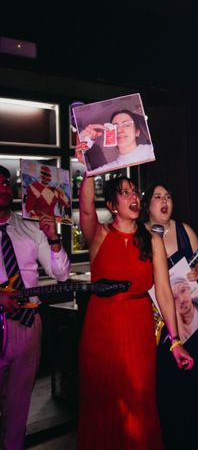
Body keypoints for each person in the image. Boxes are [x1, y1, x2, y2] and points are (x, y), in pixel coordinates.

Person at [74, 141, 193, 448]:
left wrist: (175, 339)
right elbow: (86, 208)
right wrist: (89, 171)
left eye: (134, 192)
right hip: (101, 326)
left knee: (139, 398)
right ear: (112, 205)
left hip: (138, 326)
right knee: (103, 399)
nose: (133, 197)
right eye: (124, 192)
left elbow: (164, 292)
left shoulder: (151, 239)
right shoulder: (98, 235)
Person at [0, 165, 70, 450]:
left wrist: (53, 237)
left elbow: (61, 274)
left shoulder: (29, 229)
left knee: (19, 403)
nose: (3, 189)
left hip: (29, 324)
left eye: (6, 184)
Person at [140, 182, 198, 450]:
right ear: (148, 205)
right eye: (158, 197)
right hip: (158, 322)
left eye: (168, 196)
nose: (164, 201)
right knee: (167, 385)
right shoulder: (141, 233)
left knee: (196, 382)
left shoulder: (184, 230)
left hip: (192, 318)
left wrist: (197, 272)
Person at [80, 109, 155, 173]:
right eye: (114, 126)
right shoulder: (110, 167)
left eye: (126, 125)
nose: (119, 130)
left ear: (137, 132)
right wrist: (83, 160)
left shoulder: (151, 151)